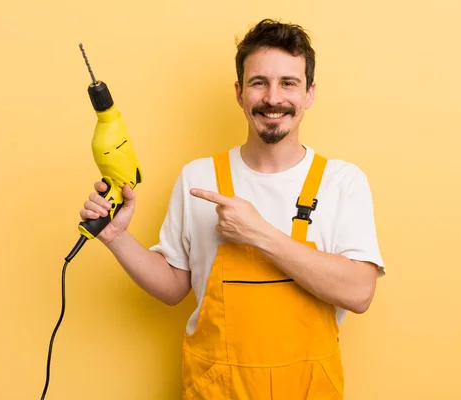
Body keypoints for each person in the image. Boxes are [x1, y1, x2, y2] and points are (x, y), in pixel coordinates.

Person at [80, 18, 385, 400]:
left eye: (288, 83)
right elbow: (175, 287)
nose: (274, 98)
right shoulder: (199, 177)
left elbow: (360, 293)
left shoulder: (342, 181)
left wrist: (259, 234)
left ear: (309, 93)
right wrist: (116, 237)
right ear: (240, 93)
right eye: (259, 83)